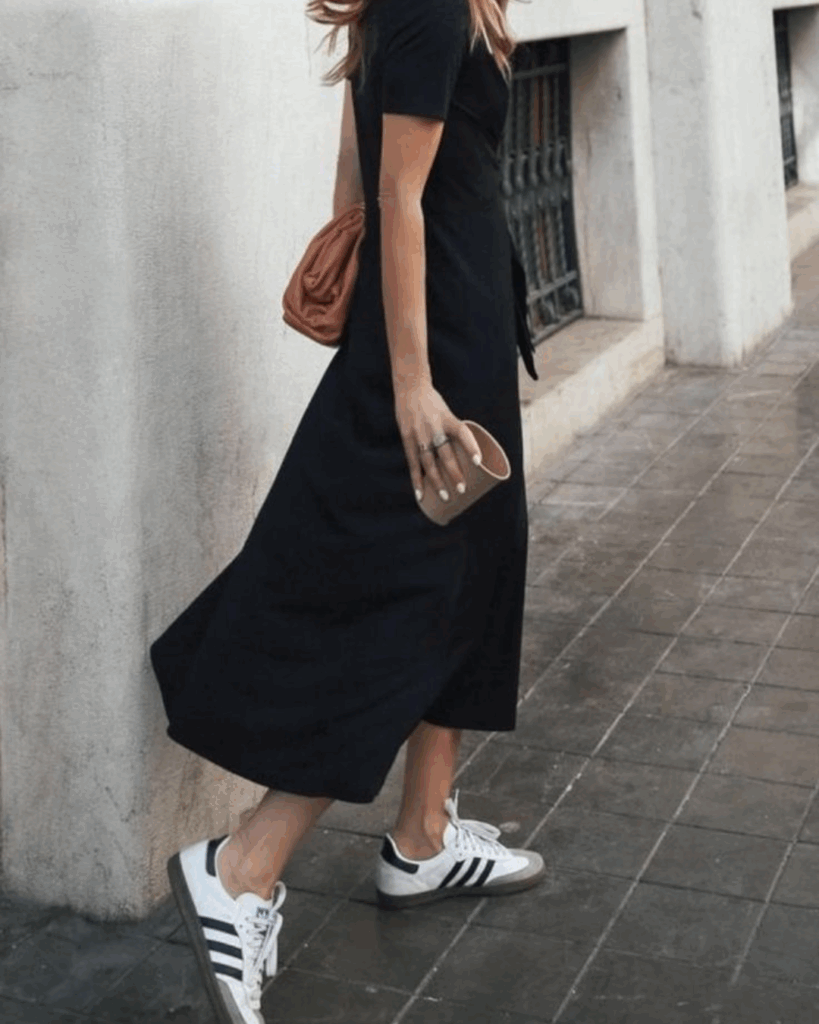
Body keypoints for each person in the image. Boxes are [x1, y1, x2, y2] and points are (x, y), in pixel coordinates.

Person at [150, 0, 544, 1020]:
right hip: (436, 347)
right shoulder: (426, 2)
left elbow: (355, 171)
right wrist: (409, 378)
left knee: (477, 569)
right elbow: (396, 195)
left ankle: (420, 836)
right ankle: (240, 869)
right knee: (398, 600)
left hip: (459, 324)